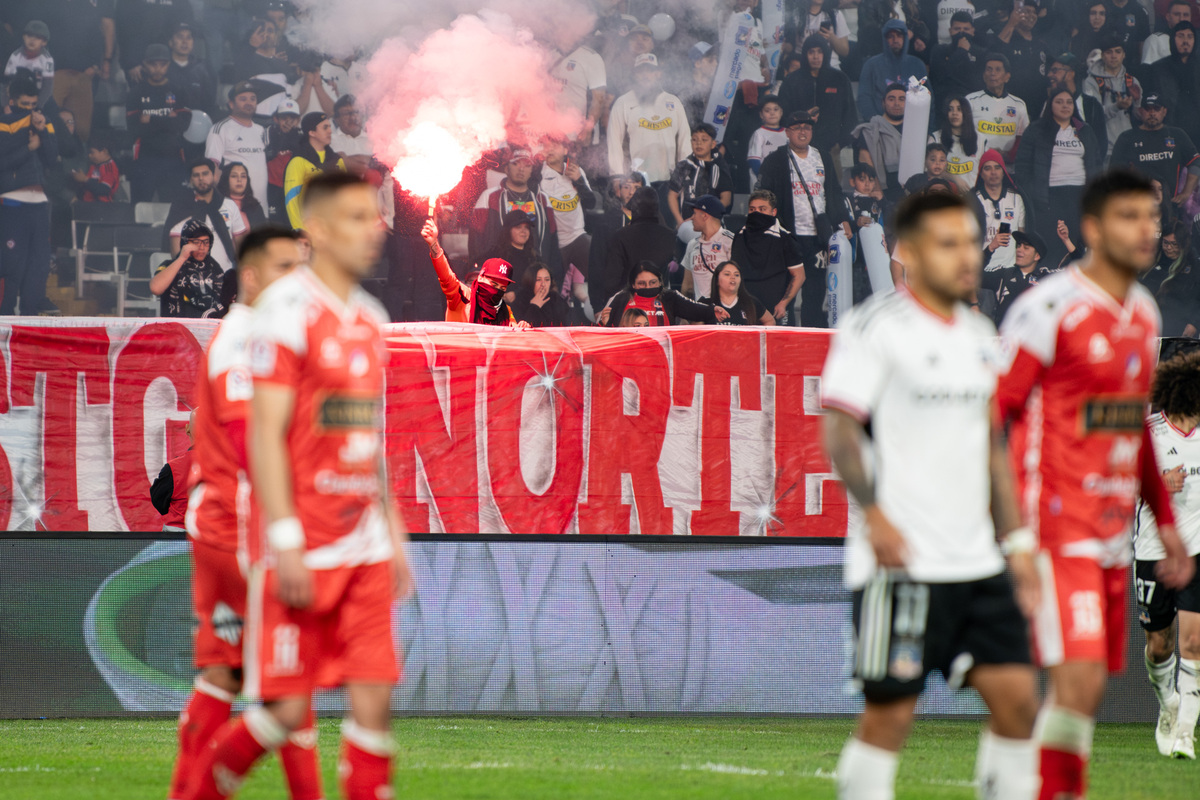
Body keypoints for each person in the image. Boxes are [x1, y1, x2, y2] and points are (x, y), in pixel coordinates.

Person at [181, 173, 414, 800]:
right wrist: (282, 535)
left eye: (375, 216)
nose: (375, 229)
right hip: (297, 541)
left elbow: (369, 437)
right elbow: (261, 435)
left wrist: (394, 533)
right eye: (356, 217)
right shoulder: (284, 314)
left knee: (375, 704)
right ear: (318, 230)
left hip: (360, 541)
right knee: (286, 713)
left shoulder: (370, 316)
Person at [822, 191, 1041, 800]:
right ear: (911, 254)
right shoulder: (874, 327)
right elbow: (839, 429)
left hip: (977, 561)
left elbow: (992, 449)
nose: (967, 256)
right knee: (890, 716)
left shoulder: (980, 335)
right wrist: (876, 517)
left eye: (971, 241)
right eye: (949, 244)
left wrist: (1017, 541)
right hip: (901, 564)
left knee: (1019, 702)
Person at [996, 170, 1195, 800]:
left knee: (1080, 697)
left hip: (1114, 538)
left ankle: (1011, 783)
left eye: (1153, 216)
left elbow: (1132, 434)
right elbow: (991, 421)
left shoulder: (1143, 314)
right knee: (1077, 683)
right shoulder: (1048, 309)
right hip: (1056, 528)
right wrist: (1014, 537)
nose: (1147, 230)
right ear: (1091, 228)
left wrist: (1166, 525)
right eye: (1129, 216)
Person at [166, 227, 321, 800]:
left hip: (224, 524)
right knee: (289, 683)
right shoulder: (243, 343)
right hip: (240, 530)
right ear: (252, 277)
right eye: (286, 268)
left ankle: (186, 792)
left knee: (223, 675)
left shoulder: (262, 337)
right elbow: (245, 441)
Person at [1136, 350, 1200, 760]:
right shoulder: (1148, 432)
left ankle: (1185, 733)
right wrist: (1158, 484)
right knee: (1160, 645)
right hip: (1154, 551)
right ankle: (1167, 707)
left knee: (1193, 643)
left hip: (1197, 550)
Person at [755, 109, 850, 328]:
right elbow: (762, 195)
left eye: (807, 128)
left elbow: (833, 193)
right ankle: (785, 334)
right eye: (797, 128)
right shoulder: (775, 159)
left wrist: (843, 219)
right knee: (785, 289)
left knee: (815, 290)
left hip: (817, 236)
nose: (802, 132)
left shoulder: (822, 156)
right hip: (788, 236)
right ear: (787, 132)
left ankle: (811, 333)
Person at [1014, 87, 1103, 267]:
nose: (1065, 106)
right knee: (1051, 244)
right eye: (1059, 102)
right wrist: (1033, 193)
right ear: (1050, 105)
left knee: (1077, 243)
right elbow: (1022, 165)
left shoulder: (1084, 130)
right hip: (1048, 197)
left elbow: (1096, 164)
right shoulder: (1037, 129)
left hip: (1080, 196)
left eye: (1069, 102)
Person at [0, 75, 59, 316]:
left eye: (33, 105)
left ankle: (30, 317)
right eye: (25, 105)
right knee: (13, 264)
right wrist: (29, 148)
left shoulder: (42, 121)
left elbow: (53, 157)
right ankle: (5, 318)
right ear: (12, 101)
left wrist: (43, 132)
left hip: (39, 202)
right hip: (12, 201)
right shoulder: (4, 123)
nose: (30, 110)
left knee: (39, 264)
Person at [776, 35, 857, 178]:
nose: (816, 56)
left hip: (831, 150)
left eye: (820, 52)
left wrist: (840, 143)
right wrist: (800, 117)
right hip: (799, 148)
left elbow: (850, 115)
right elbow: (782, 114)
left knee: (833, 194)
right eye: (811, 52)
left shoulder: (839, 79)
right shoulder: (792, 81)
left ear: (825, 53)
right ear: (805, 54)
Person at [422, 218, 527, 327]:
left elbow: (511, 334)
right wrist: (434, 244)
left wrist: (523, 329)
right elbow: (446, 277)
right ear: (480, 277)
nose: (496, 291)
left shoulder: (504, 310)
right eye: (494, 284)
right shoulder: (462, 297)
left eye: (502, 288)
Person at [607, 53, 691, 186]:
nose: (646, 75)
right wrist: (617, 176)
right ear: (634, 75)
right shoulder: (623, 103)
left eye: (650, 71)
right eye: (641, 71)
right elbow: (614, 143)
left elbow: (685, 141)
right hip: (635, 181)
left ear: (658, 74)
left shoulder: (673, 102)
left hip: (669, 179)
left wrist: (686, 176)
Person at [469, 148, 557, 272]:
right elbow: (475, 240)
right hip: (498, 274)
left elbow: (553, 241)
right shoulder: (489, 197)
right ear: (506, 168)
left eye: (527, 165)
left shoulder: (542, 200)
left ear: (532, 170)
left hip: (534, 276)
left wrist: (551, 278)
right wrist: (480, 271)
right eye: (515, 164)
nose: (521, 169)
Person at [1110, 94, 1200, 210]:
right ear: (1140, 111)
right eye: (1147, 109)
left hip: (1171, 205)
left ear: (1164, 111)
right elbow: (1115, 173)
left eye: (1156, 109)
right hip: (1139, 205)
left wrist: (1186, 193)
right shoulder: (1127, 137)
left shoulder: (1177, 135)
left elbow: (1195, 162)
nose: (1152, 113)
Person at [41, 0, 114, 142]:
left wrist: (95, 66)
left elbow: (98, 33)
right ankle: (53, 161)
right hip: (55, 73)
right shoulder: (50, 5)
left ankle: (77, 162)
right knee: (49, 123)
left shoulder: (88, 6)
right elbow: (40, 32)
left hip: (84, 74)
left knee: (81, 130)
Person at [127, 43, 190, 203]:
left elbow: (181, 125)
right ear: (144, 64)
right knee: (140, 208)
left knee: (174, 210)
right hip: (145, 158)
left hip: (173, 158)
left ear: (169, 64)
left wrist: (150, 120)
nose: (158, 69)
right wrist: (168, 119)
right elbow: (135, 128)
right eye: (153, 64)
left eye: (163, 64)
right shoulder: (136, 93)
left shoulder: (178, 90)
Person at [732, 190, 806, 324]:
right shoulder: (739, 235)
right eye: (752, 209)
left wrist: (783, 303)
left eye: (762, 209)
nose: (756, 213)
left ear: (774, 212)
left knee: (780, 344)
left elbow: (799, 275)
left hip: (776, 309)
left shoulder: (785, 238)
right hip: (746, 307)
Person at [600, 185, 676, 314]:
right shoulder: (671, 236)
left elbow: (611, 281)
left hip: (628, 308)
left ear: (634, 209)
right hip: (660, 307)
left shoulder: (620, 236)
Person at [166, 158, 248, 275]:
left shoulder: (229, 205)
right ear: (191, 180)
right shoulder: (181, 209)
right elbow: (176, 255)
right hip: (194, 279)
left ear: (213, 176)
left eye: (205, 174)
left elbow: (242, 244)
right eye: (196, 175)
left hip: (227, 277)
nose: (201, 178)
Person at [539, 137, 595, 306]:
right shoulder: (539, 174)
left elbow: (591, 203)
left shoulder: (575, 171)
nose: (549, 149)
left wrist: (579, 180)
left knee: (600, 270)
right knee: (553, 290)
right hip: (555, 242)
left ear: (565, 150)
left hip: (578, 236)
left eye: (555, 145)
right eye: (546, 145)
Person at [596, 260, 726, 326]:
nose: (648, 287)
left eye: (652, 282)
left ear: (660, 282)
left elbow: (695, 309)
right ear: (633, 284)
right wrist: (604, 324)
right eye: (642, 284)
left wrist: (712, 310)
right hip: (627, 357)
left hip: (661, 359)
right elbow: (601, 334)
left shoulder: (670, 297)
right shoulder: (621, 298)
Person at [207, 82, 269, 216]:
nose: (249, 103)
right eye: (243, 99)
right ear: (231, 104)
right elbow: (212, 168)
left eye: (253, 99)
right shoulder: (220, 128)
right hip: (234, 207)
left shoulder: (261, 130)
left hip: (260, 206)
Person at [151, 220, 227, 318]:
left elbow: (223, 301)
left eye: (206, 242)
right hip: (177, 327)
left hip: (208, 327)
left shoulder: (214, 268)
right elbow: (155, 289)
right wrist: (182, 258)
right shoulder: (169, 265)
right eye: (196, 242)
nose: (202, 247)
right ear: (185, 242)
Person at [668, 123, 733, 233]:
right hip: (687, 223)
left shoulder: (720, 166)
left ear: (713, 144)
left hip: (712, 223)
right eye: (694, 140)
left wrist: (707, 215)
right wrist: (680, 222)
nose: (699, 143)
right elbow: (672, 195)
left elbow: (726, 199)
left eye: (704, 140)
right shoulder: (683, 166)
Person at [285, 112, 346, 229]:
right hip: (310, 230)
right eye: (325, 127)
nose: (330, 131)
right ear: (311, 133)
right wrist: (299, 229)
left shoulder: (337, 161)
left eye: (329, 126)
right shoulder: (298, 160)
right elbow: (291, 198)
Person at [980, 229, 1056, 324]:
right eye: (1019, 246)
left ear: (1037, 256)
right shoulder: (1003, 275)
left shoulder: (1046, 278)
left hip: (1032, 337)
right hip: (1004, 336)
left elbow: (1075, 275)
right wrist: (990, 248)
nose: (1019, 250)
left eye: (1026, 248)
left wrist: (1068, 242)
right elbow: (975, 276)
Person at [858, 20, 928, 122]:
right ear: (885, 39)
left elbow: (927, 99)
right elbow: (864, 98)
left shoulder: (917, 65)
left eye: (899, 35)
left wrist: (928, 129)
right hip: (880, 125)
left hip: (911, 125)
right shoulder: (871, 65)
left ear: (905, 38)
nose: (895, 40)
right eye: (891, 36)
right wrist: (876, 123)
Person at [1083, 37, 1142, 158]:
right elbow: (1093, 116)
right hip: (1105, 150)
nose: (1113, 56)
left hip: (1129, 147)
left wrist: (1137, 102)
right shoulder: (1091, 81)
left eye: (1118, 51)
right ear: (1103, 56)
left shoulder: (1132, 81)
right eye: (1109, 52)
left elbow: (1139, 117)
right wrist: (1117, 107)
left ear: (1124, 55)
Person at [993, 0, 1055, 112]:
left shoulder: (1041, 45)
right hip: (1010, 105)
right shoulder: (1008, 39)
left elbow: (1050, 73)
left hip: (1038, 105)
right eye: (1026, 11)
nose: (1031, 16)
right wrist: (1011, 23)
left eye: (1034, 12)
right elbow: (996, 53)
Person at [967, 54, 1031, 161]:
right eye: (989, 69)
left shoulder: (1018, 104)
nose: (993, 73)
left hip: (1007, 166)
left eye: (998, 70)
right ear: (984, 75)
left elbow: (1023, 138)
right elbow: (963, 133)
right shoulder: (971, 100)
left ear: (1007, 77)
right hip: (977, 164)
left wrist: (1009, 155)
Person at [1148, 22, 1200, 149]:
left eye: (1190, 36)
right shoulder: (1158, 69)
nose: (1185, 41)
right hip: (1171, 132)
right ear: (1172, 39)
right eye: (1181, 36)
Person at [1044, 52, 1108, 156]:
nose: (1049, 74)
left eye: (1055, 70)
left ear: (1070, 74)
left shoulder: (1091, 105)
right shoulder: (1047, 103)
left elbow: (1100, 146)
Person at [973, 148, 1027, 270]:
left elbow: (1022, 235)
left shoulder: (1016, 199)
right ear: (981, 174)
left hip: (1009, 268)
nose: (993, 172)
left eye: (997, 167)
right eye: (987, 168)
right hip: (982, 269)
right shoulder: (973, 200)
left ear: (1003, 172)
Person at [853, 84, 907, 201]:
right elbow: (866, 164)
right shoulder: (869, 131)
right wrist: (881, 198)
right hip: (883, 193)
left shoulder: (915, 130)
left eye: (902, 99)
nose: (896, 103)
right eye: (891, 99)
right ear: (883, 103)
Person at [680, 195, 738, 301]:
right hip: (700, 313)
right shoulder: (692, 244)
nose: (692, 218)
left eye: (695, 213)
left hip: (726, 312)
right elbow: (687, 285)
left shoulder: (731, 242)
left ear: (705, 216)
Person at [929, 12, 987, 103]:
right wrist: (961, 51)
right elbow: (940, 77)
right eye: (957, 29)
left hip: (973, 103)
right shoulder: (939, 50)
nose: (961, 33)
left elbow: (978, 82)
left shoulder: (982, 53)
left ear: (972, 31)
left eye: (966, 29)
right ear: (950, 31)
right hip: (945, 102)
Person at [150, 414, 192, 533]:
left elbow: (159, 502)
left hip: (175, 538)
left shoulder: (173, 468)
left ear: (188, 429)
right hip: (213, 539)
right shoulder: (229, 466)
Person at [932, 95, 983, 192]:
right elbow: (930, 170)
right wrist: (954, 178)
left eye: (959, 109)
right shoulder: (936, 138)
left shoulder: (981, 139)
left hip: (972, 197)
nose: (954, 113)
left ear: (966, 113)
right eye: (950, 109)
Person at [699, 260, 775, 325]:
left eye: (737, 275)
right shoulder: (705, 303)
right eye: (727, 274)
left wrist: (756, 339)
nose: (733, 277)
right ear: (717, 280)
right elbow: (695, 332)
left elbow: (770, 321)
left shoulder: (751, 302)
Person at [265, 98, 303, 223]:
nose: (288, 122)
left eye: (292, 118)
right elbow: (270, 153)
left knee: (293, 222)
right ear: (276, 119)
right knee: (275, 223)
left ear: (298, 120)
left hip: (294, 187)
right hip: (273, 187)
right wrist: (286, 136)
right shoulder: (269, 131)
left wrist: (292, 135)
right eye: (284, 118)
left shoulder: (301, 135)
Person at [167, 22, 215, 117]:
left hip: (195, 125)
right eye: (180, 37)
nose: (185, 42)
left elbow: (208, 104)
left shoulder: (202, 70)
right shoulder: (162, 67)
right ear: (171, 43)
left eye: (188, 37)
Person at [486, 210, 541, 293]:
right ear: (508, 230)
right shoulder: (495, 256)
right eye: (518, 227)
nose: (523, 231)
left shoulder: (535, 258)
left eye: (526, 227)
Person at [4, 20, 54, 107]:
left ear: (44, 42)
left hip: (39, 98)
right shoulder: (15, 56)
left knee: (53, 112)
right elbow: (6, 83)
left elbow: (47, 88)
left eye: (38, 37)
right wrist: (6, 104)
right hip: (16, 98)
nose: (32, 40)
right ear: (24, 37)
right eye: (29, 35)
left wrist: (38, 107)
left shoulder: (47, 59)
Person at [789, 0, 851, 69]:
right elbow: (790, 47)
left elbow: (845, 51)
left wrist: (832, 38)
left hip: (831, 66)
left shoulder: (835, 14)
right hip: (803, 66)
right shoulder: (796, 15)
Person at [747, 96, 787, 185]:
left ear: (781, 112)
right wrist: (764, 178)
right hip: (763, 181)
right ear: (761, 115)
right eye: (767, 111)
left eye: (776, 109)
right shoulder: (759, 134)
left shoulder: (788, 133)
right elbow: (754, 160)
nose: (772, 113)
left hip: (783, 179)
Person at [218, 162, 268, 231]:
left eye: (243, 176)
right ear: (225, 179)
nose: (239, 180)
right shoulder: (217, 204)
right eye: (234, 176)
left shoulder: (255, 207)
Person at [331, 95, 372, 176]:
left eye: (357, 112)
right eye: (347, 113)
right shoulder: (330, 141)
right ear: (337, 119)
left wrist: (347, 160)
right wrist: (369, 161)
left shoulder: (373, 139)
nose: (353, 117)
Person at [71, 136, 119, 202]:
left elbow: (104, 189)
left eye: (92, 152)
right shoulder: (94, 165)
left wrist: (85, 179)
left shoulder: (109, 168)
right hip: (87, 203)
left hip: (102, 206)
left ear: (104, 151)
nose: (89, 155)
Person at [1143, 0, 1191, 65]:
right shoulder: (1155, 40)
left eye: (1185, 15)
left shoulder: (1196, 41)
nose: (1181, 19)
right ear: (1168, 17)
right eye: (1177, 14)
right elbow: (1147, 71)